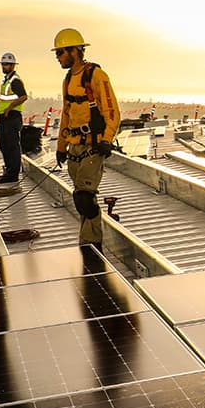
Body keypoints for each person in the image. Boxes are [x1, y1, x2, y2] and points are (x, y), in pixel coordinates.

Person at [53, 27, 120, 250]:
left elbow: (112, 111)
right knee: (81, 199)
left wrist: (107, 139)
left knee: (85, 198)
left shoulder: (95, 76)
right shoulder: (67, 80)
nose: (58, 57)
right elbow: (66, 113)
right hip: (74, 148)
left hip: (93, 147)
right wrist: (61, 146)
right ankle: (86, 242)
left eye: (61, 52)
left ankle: (93, 246)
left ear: (75, 51)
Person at [0, 51, 29, 183]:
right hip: (4, 118)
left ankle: (12, 174)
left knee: (11, 146)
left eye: (7, 65)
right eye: (3, 64)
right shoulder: (7, 80)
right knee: (4, 146)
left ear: (13, 66)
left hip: (11, 117)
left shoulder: (15, 81)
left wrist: (9, 108)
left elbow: (24, 96)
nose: (4, 67)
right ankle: (9, 171)